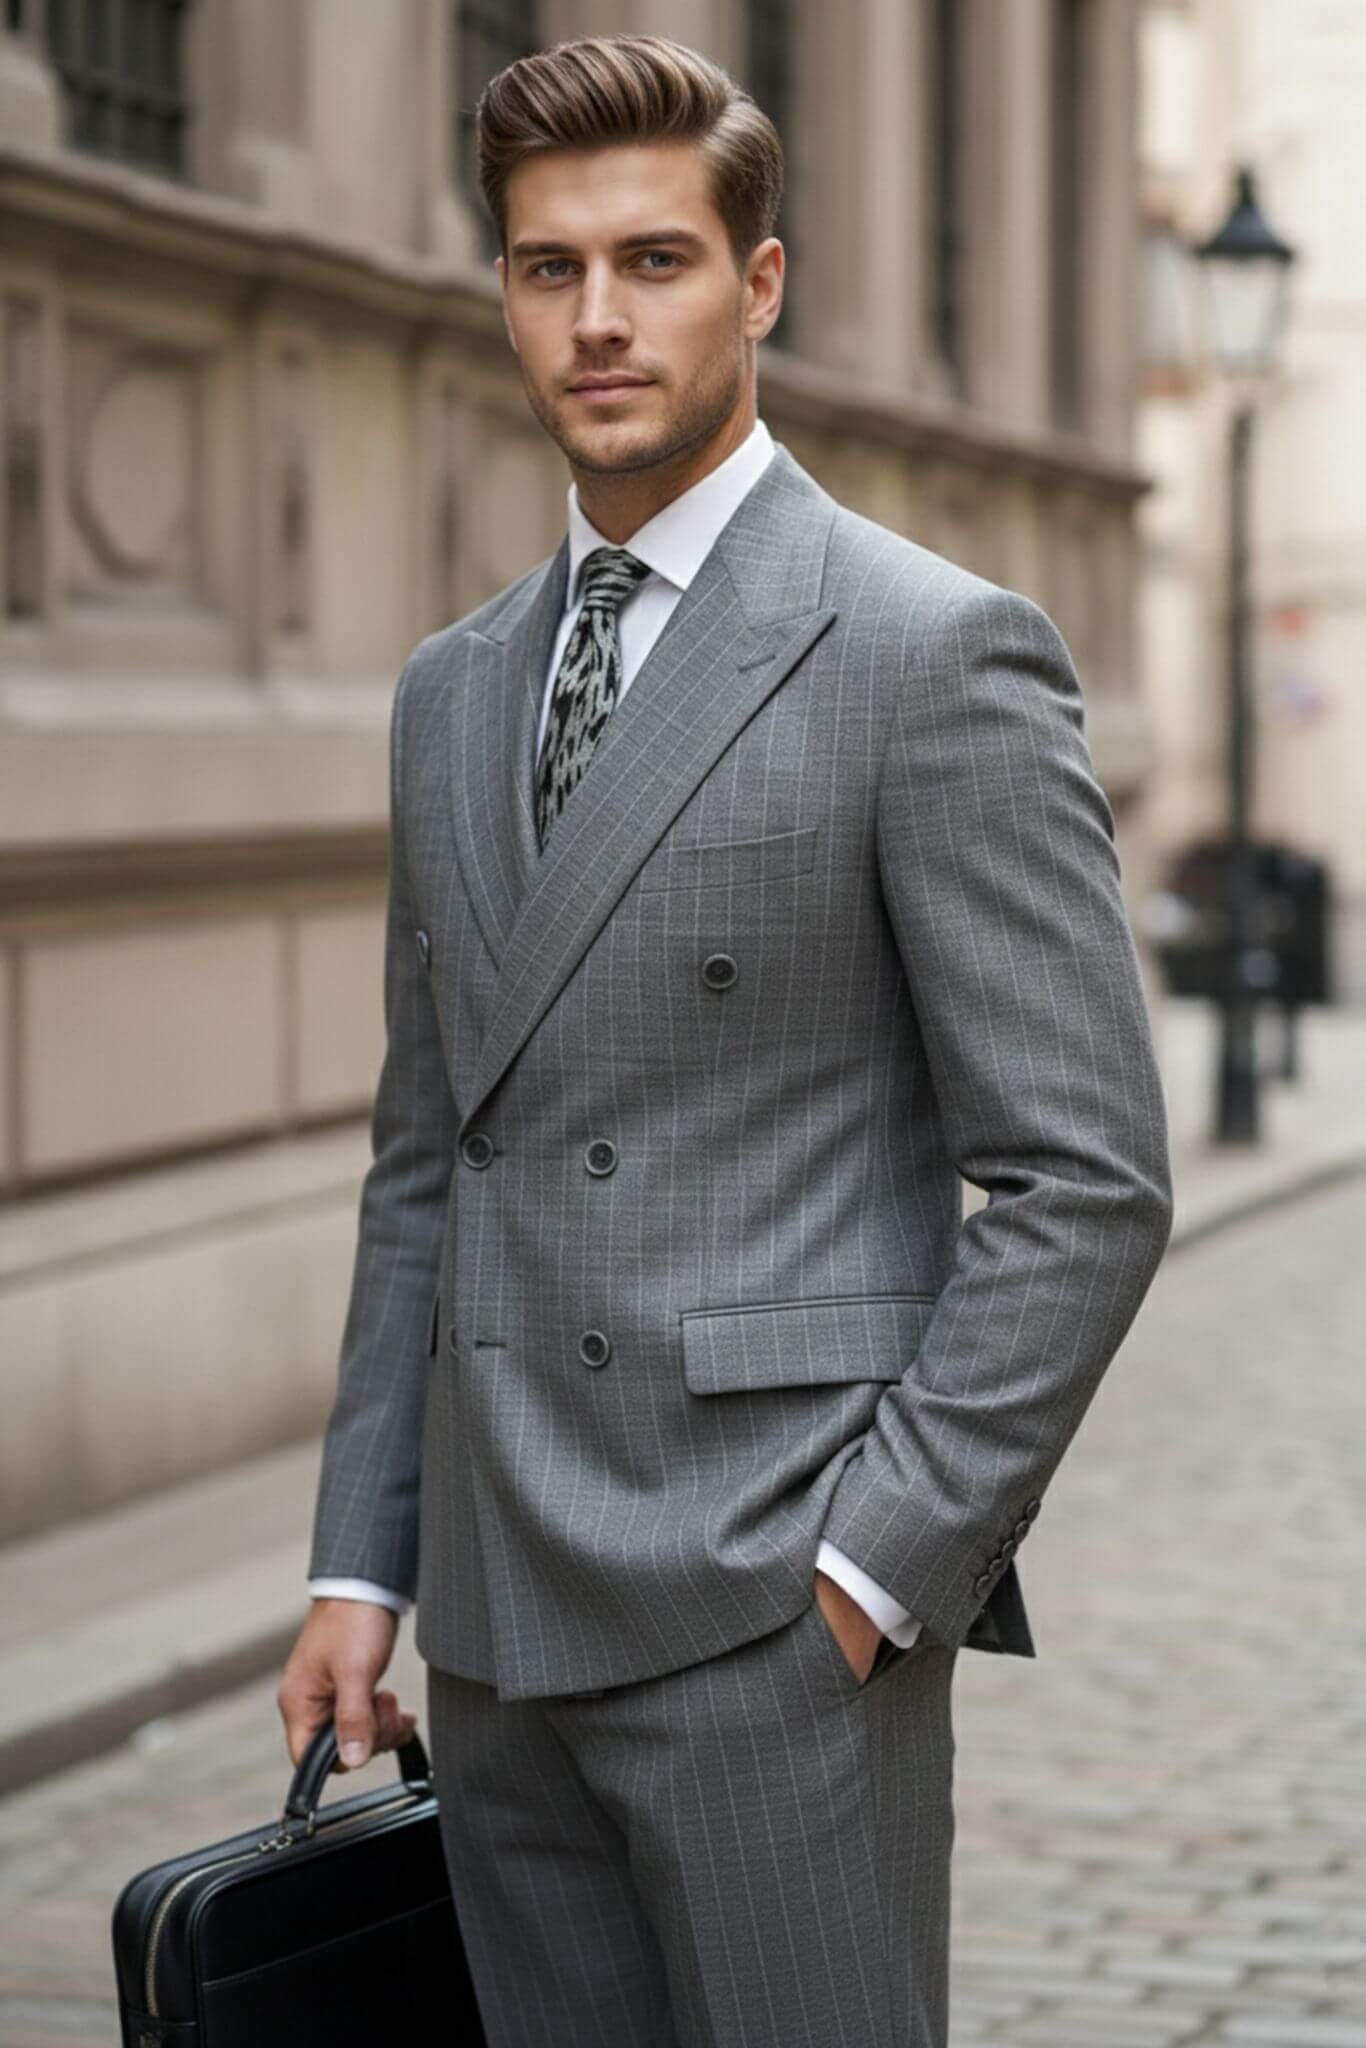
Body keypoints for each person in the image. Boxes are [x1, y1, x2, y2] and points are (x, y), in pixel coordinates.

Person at [278, 32, 1173, 2047]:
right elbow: (428, 1157)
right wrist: (363, 1566)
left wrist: (867, 1579)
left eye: (654, 260)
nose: (597, 318)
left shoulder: (924, 648)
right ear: (504, 292)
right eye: (544, 268)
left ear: (756, 286)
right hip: (499, 1630)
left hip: (767, 1609)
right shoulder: (447, 692)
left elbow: (1084, 1178)